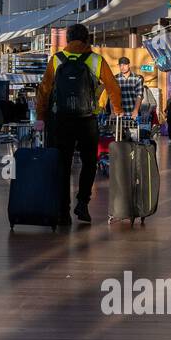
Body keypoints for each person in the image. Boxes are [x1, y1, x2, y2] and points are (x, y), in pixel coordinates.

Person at [33, 23, 122, 225]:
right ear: (87, 39)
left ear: (67, 40)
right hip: (87, 120)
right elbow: (113, 87)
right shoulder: (95, 60)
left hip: (60, 120)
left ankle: (63, 211)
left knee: (62, 164)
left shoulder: (57, 60)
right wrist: (118, 110)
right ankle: (82, 202)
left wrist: (41, 116)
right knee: (90, 162)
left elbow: (44, 90)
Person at [114, 56, 144, 136]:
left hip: (133, 114)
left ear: (129, 65)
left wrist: (136, 110)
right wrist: (113, 110)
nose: (122, 67)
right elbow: (112, 96)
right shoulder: (115, 79)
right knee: (119, 138)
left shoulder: (137, 78)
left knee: (134, 138)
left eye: (124, 65)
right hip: (120, 114)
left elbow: (139, 95)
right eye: (120, 65)